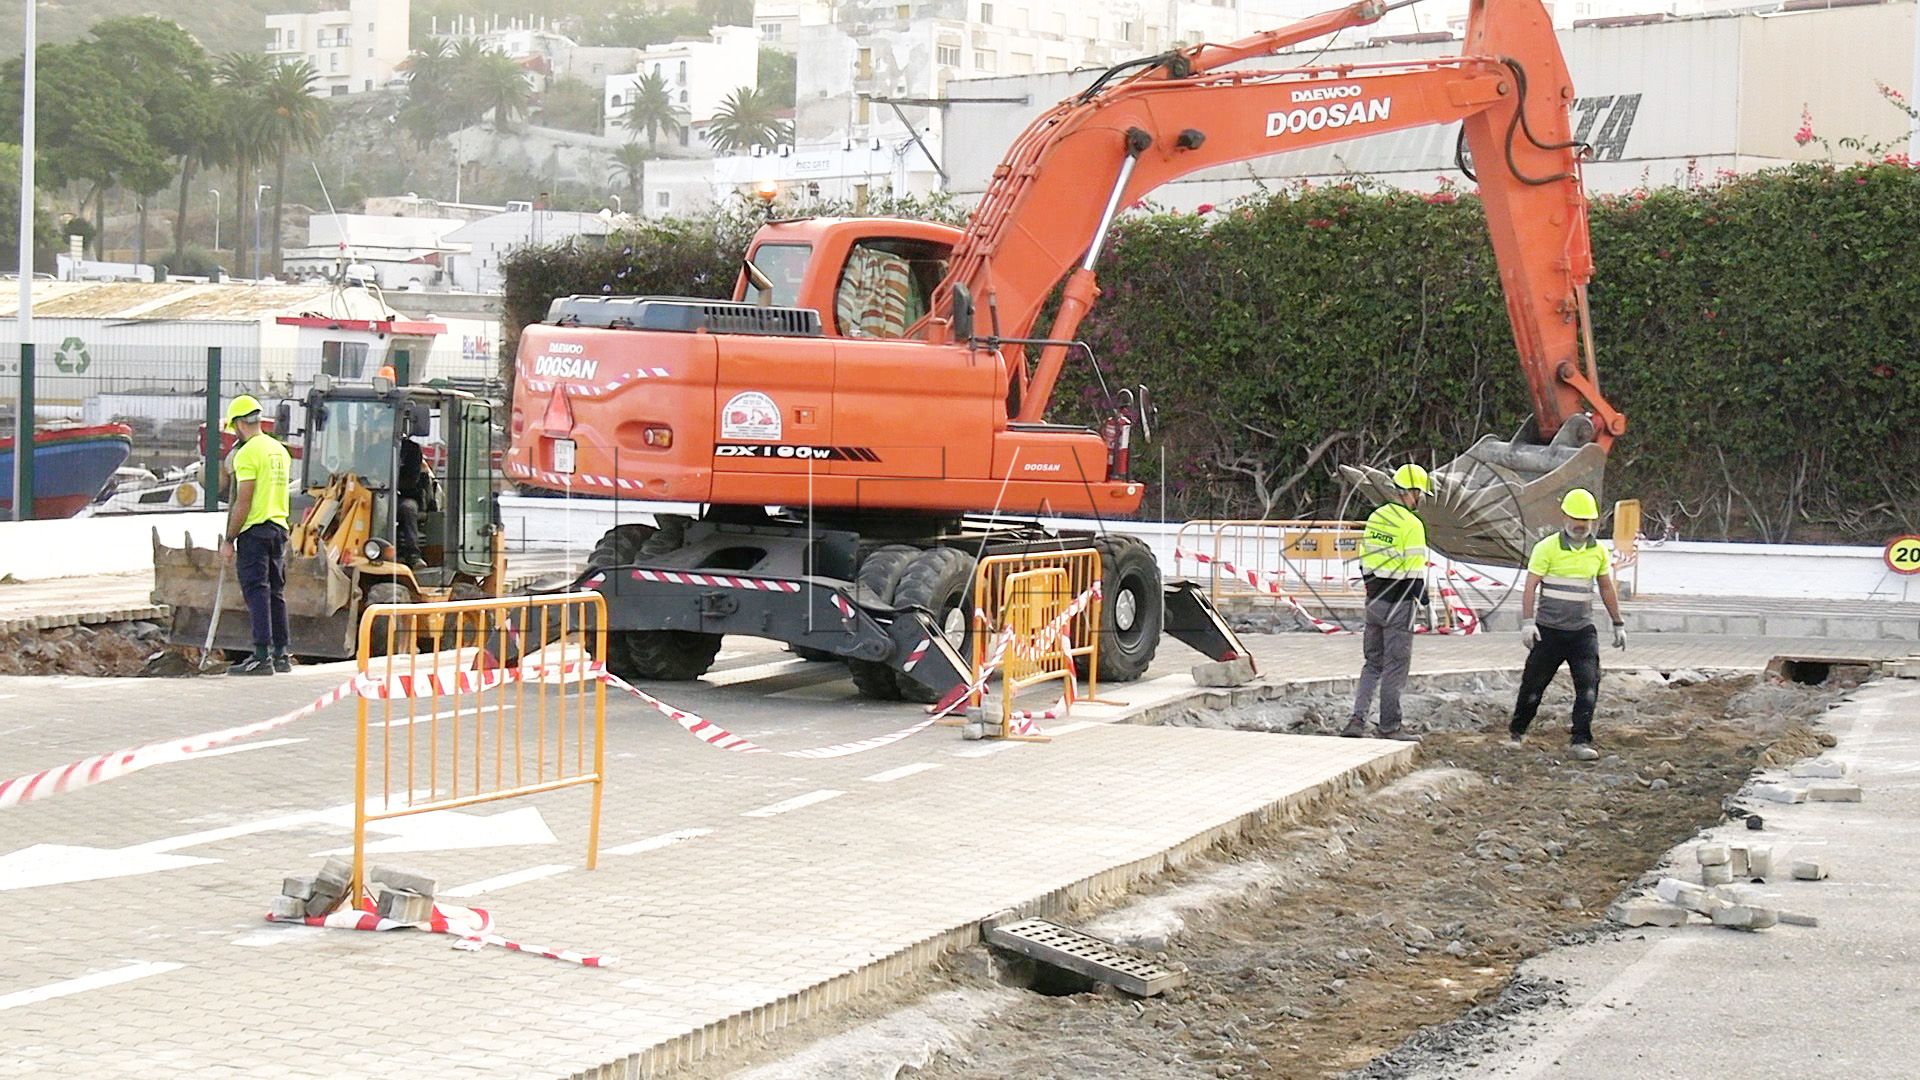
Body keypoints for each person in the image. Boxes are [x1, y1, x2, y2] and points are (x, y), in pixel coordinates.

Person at [1508, 488, 1627, 759]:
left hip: (1581, 632)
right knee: (1533, 685)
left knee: (1588, 684)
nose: (1580, 525)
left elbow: (1605, 587)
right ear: (1565, 517)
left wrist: (1618, 623)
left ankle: (1580, 740)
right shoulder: (1546, 548)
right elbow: (1530, 586)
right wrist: (1528, 622)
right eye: (1576, 518)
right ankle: (1517, 732)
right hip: (1548, 631)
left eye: (1586, 520)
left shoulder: (1598, 551)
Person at [1343, 463, 1432, 741]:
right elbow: (1415, 575)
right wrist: (1425, 602)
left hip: (1374, 600)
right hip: (1399, 605)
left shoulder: (1377, 517)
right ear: (1413, 492)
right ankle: (1390, 726)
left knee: (1372, 664)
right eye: (1420, 494)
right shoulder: (1412, 525)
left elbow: (1364, 563)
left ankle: (1357, 720)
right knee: (1395, 666)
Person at [220, 395, 293, 675]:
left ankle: (261, 656)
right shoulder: (279, 450)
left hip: (255, 531)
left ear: (239, 424)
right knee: (276, 591)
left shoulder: (248, 453)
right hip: (279, 527)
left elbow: (244, 500)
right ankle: (281, 654)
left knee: (257, 591)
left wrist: (230, 538)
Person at [395, 435, 434, 572]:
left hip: (404, 496)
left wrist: (392, 484)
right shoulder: (374, 448)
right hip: (377, 494)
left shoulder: (411, 449)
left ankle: (413, 554)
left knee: (408, 508)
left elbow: (411, 479)